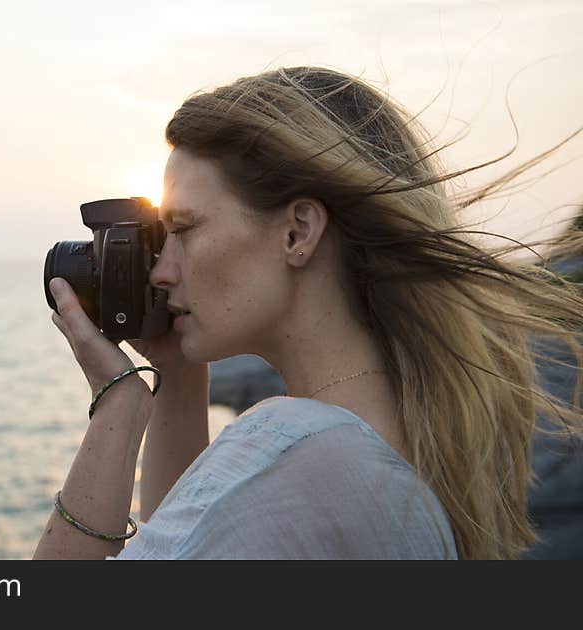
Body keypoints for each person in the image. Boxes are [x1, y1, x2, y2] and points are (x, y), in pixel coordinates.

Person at [33, 66, 583, 560]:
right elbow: (178, 544)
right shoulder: (394, 445)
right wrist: (176, 377)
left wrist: (119, 406)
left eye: (184, 229)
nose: (160, 270)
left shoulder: (296, 449)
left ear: (298, 232)